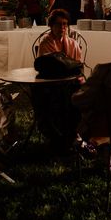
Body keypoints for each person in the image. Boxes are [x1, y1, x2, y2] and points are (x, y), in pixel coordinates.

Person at [34, 9, 83, 153]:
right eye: (59, 24)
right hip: (50, 85)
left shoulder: (73, 44)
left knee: (78, 94)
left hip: (70, 83)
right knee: (56, 97)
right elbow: (48, 69)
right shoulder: (45, 44)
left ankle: (72, 133)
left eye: (65, 24)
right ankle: (59, 135)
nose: (62, 28)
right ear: (51, 26)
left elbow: (78, 67)